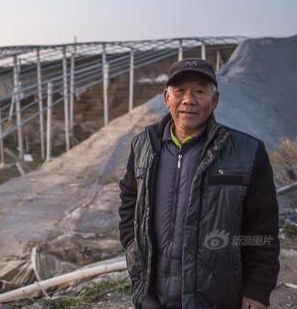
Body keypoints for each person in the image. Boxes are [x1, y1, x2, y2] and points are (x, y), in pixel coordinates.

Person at [118, 58, 280, 309]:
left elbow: (262, 229)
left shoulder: (247, 152)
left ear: (214, 100)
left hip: (216, 297)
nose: (188, 100)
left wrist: (257, 289)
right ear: (166, 97)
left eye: (200, 91)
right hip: (153, 297)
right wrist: (133, 251)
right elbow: (129, 205)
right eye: (180, 91)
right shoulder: (143, 146)